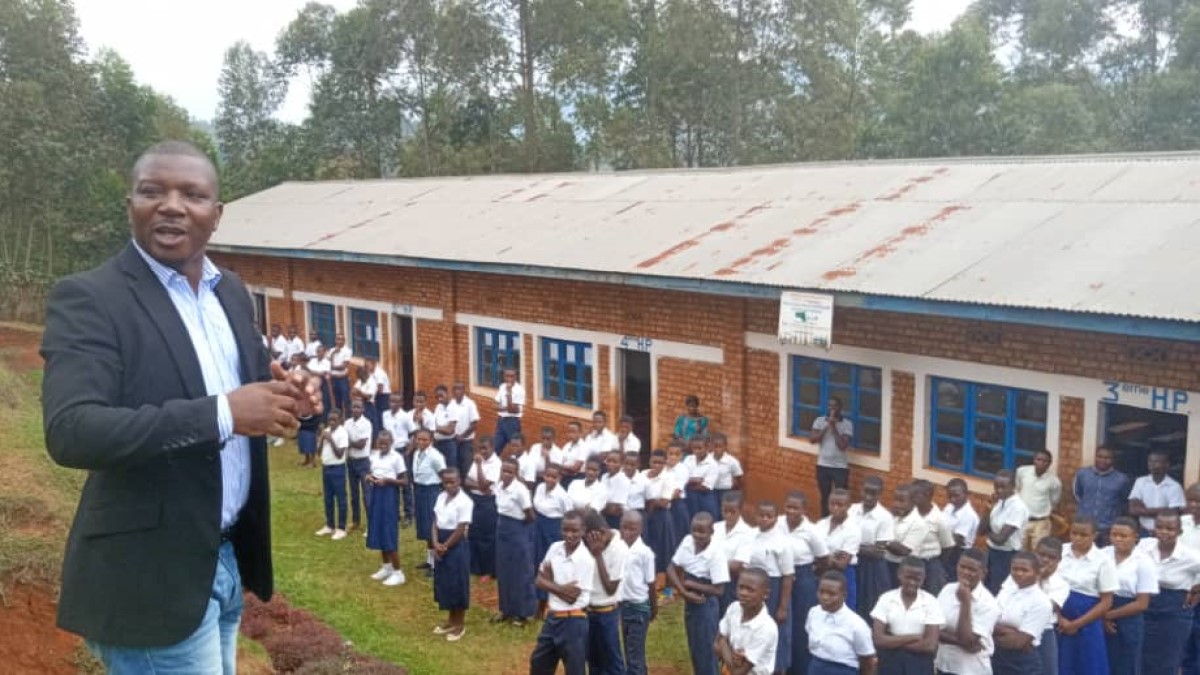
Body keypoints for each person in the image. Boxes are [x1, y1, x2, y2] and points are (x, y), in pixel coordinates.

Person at [41, 141, 320, 672]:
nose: (172, 205)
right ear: (131, 205)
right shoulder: (91, 298)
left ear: (216, 215)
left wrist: (291, 397)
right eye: (153, 191)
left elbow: (248, 388)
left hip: (226, 559)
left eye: (192, 194)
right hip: (152, 578)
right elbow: (72, 430)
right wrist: (225, 413)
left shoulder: (230, 292)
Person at [530, 511, 595, 675]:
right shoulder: (554, 548)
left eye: (574, 531)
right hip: (552, 618)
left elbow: (572, 598)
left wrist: (550, 583)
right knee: (539, 663)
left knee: (574, 669)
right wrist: (561, 588)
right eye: (566, 530)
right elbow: (538, 580)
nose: (569, 535)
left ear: (583, 531)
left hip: (574, 621)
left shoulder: (586, 559)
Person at [737, 499, 796, 675]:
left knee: (776, 635)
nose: (764, 519)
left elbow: (788, 576)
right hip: (751, 585)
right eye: (761, 515)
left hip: (774, 589)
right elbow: (743, 562)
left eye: (769, 516)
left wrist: (783, 607)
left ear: (776, 518)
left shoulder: (782, 542)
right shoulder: (750, 535)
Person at [1138, 512, 1200, 675]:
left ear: (1179, 532)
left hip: (1173, 612)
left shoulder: (1190, 556)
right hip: (1144, 607)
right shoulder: (1144, 546)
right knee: (1141, 658)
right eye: (1159, 527)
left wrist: (1196, 589)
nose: (1164, 532)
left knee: (1167, 661)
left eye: (1170, 528)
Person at [669, 512, 730, 675]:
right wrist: (684, 592)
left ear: (712, 532)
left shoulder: (716, 552)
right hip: (690, 600)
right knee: (695, 649)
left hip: (706, 604)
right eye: (694, 530)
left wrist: (691, 584)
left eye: (702, 531)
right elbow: (671, 568)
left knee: (707, 651)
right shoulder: (688, 542)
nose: (697, 535)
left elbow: (719, 590)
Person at [1056, 515, 1116, 675]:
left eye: (1084, 535)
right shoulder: (1060, 551)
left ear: (1094, 536)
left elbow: (1106, 602)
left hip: (1087, 621)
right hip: (1058, 617)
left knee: (1087, 665)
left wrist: (1075, 624)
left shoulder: (1103, 561)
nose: (1078, 538)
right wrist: (1059, 618)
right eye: (1074, 533)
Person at [870, 557, 943, 675]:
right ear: (899, 574)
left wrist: (892, 642)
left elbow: (930, 645)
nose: (912, 582)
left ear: (924, 578)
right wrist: (914, 637)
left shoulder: (931, 602)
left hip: (920, 664)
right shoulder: (886, 598)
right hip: (890, 664)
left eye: (917, 579)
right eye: (908, 577)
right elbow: (878, 639)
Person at [1103, 516, 1156, 675]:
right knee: (1104, 661)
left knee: (1126, 663)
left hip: (1128, 614)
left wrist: (1108, 615)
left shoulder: (1143, 561)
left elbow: (1142, 603)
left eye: (1124, 536)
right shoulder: (1102, 555)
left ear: (1135, 537)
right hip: (1101, 609)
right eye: (1114, 534)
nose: (1118, 539)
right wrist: (1101, 616)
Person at [935, 549, 1001, 675]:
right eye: (962, 567)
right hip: (944, 664)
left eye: (972, 570)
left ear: (983, 573)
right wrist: (960, 642)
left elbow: (967, 640)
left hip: (971, 669)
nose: (965, 572)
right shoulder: (947, 590)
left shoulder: (988, 603)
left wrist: (965, 603)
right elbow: (933, 629)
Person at [992, 552, 1054, 675]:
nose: (1019, 573)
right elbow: (988, 619)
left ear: (1037, 573)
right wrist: (1008, 631)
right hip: (996, 657)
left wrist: (990, 634)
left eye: (1025, 570)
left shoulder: (1041, 602)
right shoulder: (1006, 591)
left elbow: (1018, 642)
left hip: (1021, 663)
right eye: (1015, 569)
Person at [584, 509, 629, 675]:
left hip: (607, 613)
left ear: (601, 533)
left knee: (612, 662)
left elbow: (610, 589)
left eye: (587, 538)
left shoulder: (619, 549)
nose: (585, 543)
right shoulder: (591, 543)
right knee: (593, 661)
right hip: (588, 611)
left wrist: (598, 555)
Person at [806, 570, 878, 675]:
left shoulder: (856, 624)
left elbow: (867, 660)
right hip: (816, 668)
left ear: (844, 595)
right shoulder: (813, 613)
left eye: (832, 594)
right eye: (821, 592)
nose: (825, 597)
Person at [432, 467, 472, 641]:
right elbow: (435, 522)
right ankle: (450, 620)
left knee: (457, 583)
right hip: (440, 541)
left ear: (459, 481)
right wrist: (435, 543)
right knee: (445, 583)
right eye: (446, 482)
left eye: (452, 482)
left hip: (455, 545)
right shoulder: (441, 497)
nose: (449, 485)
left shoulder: (465, 502)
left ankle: (459, 624)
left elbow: (461, 528)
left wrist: (445, 546)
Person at [494, 456, 536, 625]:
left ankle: (523, 613)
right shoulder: (499, 486)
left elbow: (530, 515)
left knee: (520, 572)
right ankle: (506, 610)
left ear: (516, 473)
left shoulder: (520, 490)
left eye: (510, 472)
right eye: (504, 470)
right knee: (504, 571)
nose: (506, 474)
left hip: (518, 530)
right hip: (502, 528)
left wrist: (519, 529)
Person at [715, 567, 778, 675]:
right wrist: (729, 653)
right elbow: (716, 645)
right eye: (741, 587)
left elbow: (738, 672)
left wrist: (724, 645)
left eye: (750, 590)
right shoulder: (734, 608)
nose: (743, 593)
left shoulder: (766, 628)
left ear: (765, 594)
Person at [617, 510, 657, 675]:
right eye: (624, 528)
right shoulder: (618, 548)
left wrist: (653, 607)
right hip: (623, 606)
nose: (627, 532)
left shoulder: (645, 552)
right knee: (629, 651)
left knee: (634, 656)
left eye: (632, 528)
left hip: (638, 608)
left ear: (640, 529)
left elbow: (651, 583)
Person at [365, 430, 407, 586]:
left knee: (388, 530)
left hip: (389, 494)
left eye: (386, 444)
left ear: (391, 443)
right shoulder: (374, 455)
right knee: (378, 528)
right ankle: (386, 567)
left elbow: (404, 481)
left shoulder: (397, 458)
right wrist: (369, 477)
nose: (382, 446)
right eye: (380, 443)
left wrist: (388, 480)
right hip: (376, 492)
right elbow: (371, 471)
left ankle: (398, 572)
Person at [533, 463, 574, 619]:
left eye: (554, 477)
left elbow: (568, 516)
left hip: (553, 531)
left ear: (559, 478)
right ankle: (538, 603)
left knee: (550, 566)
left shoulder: (562, 495)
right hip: (539, 527)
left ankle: (547, 606)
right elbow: (537, 506)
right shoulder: (539, 488)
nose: (550, 479)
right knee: (538, 563)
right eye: (547, 476)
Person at [852, 476, 895, 624]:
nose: (869, 496)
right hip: (853, 563)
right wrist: (863, 547)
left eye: (874, 493)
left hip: (872, 568)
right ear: (861, 490)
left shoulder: (885, 517)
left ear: (880, 493)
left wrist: (853, 545)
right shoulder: (852, 510)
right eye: (866, 492)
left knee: (870, 604)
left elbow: (878, 552)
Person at [980, 471, 1029, 595]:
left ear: (1013, 487)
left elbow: (1001, 539)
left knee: (998, 591)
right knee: (986, 588)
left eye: (1003, 487)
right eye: (996, 486)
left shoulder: (1018, 507)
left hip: (1006, 556)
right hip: (991, 553)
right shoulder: (999, 502)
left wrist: (988, 531)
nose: (998, 490)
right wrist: (986, 510)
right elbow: (980, 530)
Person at [1073, 446, 1131, 547]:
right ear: (1095, 457)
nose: (1103, 460)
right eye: (1100, 457)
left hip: (1108, 527)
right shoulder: (1083, 474)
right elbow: (1078, 494)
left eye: (1107, 458)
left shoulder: (1121, 479)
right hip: (1085, 525)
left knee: (1106, 557)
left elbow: (1124, 501)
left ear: (1113, 460)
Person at [815, 488, 862, 611]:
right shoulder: (821, 524)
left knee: (844, 611)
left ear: (848, 506)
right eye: (832, 504)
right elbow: (811, 552)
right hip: (821, 574)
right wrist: (831, 556)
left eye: (840, 505)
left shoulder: (853, 529)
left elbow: (842, 564)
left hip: (843, 575)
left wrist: (821, 556)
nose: (835, 508)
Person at [1029, 537, 1070, 675]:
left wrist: (1038, 578)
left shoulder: (1061, 584)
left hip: (1044, 631)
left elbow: (1044, 609)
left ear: (1059, 560)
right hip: (1017, 629)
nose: (1045, 560)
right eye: (1041, 555)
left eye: (1051, 557)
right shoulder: (1019, 574)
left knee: (1047, 670)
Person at [809, 396, 853, 518]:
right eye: (830, 406)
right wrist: (827, 426)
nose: (832, 409)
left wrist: (834, 427)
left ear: (840, 408)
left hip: (840, 468)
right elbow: (813, 439)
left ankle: (841, 521)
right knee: (825, 497)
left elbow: (842, 446)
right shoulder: (819, 421)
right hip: (822, 466)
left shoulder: (847, 424)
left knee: (841, 498)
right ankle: (825, 520)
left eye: (835, 406)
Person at [410, 429, 446, 574]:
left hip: (431, 491)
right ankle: (429, 560)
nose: (421, 442)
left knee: (432, 526)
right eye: (419, 439)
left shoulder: (435, 456)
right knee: (425, 527)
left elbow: (443, 474)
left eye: (425, 440)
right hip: (419, 491)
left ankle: (436, 564)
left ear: (431, 441)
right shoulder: (416, 453)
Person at [715, 490, 755, 618]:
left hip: (731, 583)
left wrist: (711, 563)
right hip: (713, 581)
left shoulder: (747, 533)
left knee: (729, 617)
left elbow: (737, 565)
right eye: (725, 511)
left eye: (732, 512)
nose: (728, 515)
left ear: (741, 510)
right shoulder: (715, 528)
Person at [465, 436, 501, 581]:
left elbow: (485, 485)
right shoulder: (478, 459)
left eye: (485, 448)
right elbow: (467, 481)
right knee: (474, 533)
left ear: (492, 448)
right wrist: (479, 486)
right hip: (475, 499)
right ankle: (475, 566)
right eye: (480, 448)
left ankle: (488, 570)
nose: (482, 451)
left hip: (488, 502)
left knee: (487, 537)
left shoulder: (496, 463)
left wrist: (479, 466)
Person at [1129, 450, 1186, 537]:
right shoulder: (1140, 482)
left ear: (1166, 464)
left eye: (1156, 461)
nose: (1152, 464)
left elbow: (1174, 513)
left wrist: (1143, 510)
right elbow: (1133, 510)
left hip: (1164, 533)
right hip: (1144, 531)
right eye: (1150, 461)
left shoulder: (1174, 486)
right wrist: (1163, 510)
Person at [912, 479, 954, 595]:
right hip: (911, 562)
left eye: (915, 494)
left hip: (930, 566)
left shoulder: (939, 519)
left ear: (927, 495)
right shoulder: (910, 513)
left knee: (931, 597)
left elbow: (948, 546)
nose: (911, 497)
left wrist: (936, 563)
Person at [884, 485, 931, 588]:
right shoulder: (889, 516)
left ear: (913, 502)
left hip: (903, 570)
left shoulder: (919, 523)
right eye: (895, 500)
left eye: (901, 501)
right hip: (884, 564)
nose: (896, 504)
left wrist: (883, 541)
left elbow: (903, 551)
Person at [1017, 451, 1063, 552]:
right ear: (1034, 460)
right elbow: (1018, 488)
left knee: (1039, 552)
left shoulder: (1054, 481)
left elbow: (1054, 500)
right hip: (1022, 520)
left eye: (1045, 461)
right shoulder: (1022, 472)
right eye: (1039, 460)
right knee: (1019, 550)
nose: (1041, 463)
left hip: (1041, 522)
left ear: (1050, 463)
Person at [643, 451, 677, 587]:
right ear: (650, 461)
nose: (656, 465)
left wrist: (649, 500)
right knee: (649, 546)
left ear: (665, 463)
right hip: (647, 516)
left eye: (660, 463)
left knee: (663, 549)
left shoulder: (668, 477)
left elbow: (664, 502)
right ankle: (649, 581)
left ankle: (665, 584)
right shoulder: (643, 474)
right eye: (654, 462)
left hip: (661, 517)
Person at [316, 408, 350, 540]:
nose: (331, 422)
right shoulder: (327, 432)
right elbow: (318, 453)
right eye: (329, 420)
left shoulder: (343, 433)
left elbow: (340, 454)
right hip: (326, 468)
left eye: (334, 420)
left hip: (338, 469)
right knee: (328, 498)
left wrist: (330, 440)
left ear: (340, 420)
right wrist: (321, 439)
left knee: (341, 499)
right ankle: (329, 525)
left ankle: (341, 528)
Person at [344, 400, 373, 533]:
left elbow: (361, 445)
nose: (355, 409)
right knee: (354, 493)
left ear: (363, 410)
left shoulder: (366, 424)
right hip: (351, 461)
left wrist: (348, 442)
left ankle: (371, 524)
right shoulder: (347, 423)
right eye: (354, 406)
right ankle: (356, 521)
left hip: (363, 462)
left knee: (367, 494)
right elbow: (345, 442)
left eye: (358, 407)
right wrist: (350, 443)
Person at [942, 478, 979, 582]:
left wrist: (941, 532)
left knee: (952, 580)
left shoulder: (969, 515)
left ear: (966, 494)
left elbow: (957, 539)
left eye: (956, 496)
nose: (953, 499)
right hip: (946, 548)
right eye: (950, 496)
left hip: (958, 553)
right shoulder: (949, 507)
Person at [448, 381, 481, 478]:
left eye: (459, 389)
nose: (456, 391)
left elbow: (474, 424)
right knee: (455, 466)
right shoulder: (451, 403)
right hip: (453, 441)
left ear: (464, 391)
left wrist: (462, 436)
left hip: (466, 442)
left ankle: (467, 489)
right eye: (454, 389)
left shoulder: (470, 404)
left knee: (466, 467)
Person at [684, 436, 720, 520]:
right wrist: (696, 480)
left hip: (705, 498)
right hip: (689, 497)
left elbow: (706, 487)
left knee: (706, 520)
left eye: (700, 448)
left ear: (707, 447)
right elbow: (681, 477)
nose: (696, 451)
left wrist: (688, 482)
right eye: (694, 448)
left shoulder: (712, 464)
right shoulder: (688, 459)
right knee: (690, 520)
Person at [494, 367, 524, 456]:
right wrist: (507, 408)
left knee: (515, 451)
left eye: (512, 376)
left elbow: (513, 410)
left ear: (516, 377)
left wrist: (509, 393)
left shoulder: (519, 390)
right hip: (501, 421)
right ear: (504, 377)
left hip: (512, 422)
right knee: (495, 448)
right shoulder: (502, 386)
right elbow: (495, 406)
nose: (509, 379)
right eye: (507, 376)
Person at [601, 449, 631, 529]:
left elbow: (615, 509)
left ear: (621, 464)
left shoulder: (623, 480)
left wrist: (599, 507)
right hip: (604, 517)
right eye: (609, 461)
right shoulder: (604, 477)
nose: (611, 464)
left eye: (614, 462)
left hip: (617, 519)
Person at [712, 432, 744, 505]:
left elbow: (739, 477)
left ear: (725, 447)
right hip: (711, 492)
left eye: (720, 446)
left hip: (725, 492)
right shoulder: (708, 459)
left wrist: (734, 489)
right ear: (711, 446)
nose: (717, 449)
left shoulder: (732, 461)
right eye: (715, 446)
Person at [328, 333, 352, 416]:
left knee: (346, 401)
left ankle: (349, 418)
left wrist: (332, 367)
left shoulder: (347, 351)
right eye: (338, 339)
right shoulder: (331, 350)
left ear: (344, 341)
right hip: (334, 379)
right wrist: (333, 353)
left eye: (341, 339)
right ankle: (339, 419)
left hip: (343, 379)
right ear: (335, 340)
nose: (339, 341)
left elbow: (344, 366)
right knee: (337, 401)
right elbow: (328, 363)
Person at [560, 421, 587, 487]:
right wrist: (564, 469)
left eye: (574, 432)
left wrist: (562, 467)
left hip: (578, 479)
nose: (571, 434)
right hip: (564, 477)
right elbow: (559, 462)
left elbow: (575, 468)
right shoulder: (567, 445)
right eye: (569, 431)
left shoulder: (584, 446)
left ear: (580, 433)